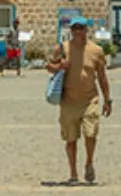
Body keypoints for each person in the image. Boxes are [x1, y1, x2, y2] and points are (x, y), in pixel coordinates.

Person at [47, 18, 111, 183]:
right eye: (74, 28)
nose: (77, 31)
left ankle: (89, 163)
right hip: (69, 100)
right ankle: (73, 173)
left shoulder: (96, 51)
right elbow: (48, 66)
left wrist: (107, 99)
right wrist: (60, 66)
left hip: (90, 99)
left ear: (86, 30)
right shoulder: (63, 48)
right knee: (71, 139)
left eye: (80, 28)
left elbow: (102, 77)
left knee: (91, 134)